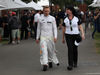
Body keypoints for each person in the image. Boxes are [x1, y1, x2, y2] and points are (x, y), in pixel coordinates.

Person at [36, 6, 59, 71]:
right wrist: (37, 37)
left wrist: (55, 36)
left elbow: (54, 28)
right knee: (43, 51)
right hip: (43, 37)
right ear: (43, 11)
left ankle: (50, 61)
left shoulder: (52, 18)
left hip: (50, 37)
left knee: (50, 51)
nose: (46, 12)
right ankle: (45, 64)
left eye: (48, 11)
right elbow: (38, 29)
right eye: (45, 11)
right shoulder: (40, 18)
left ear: (49, 11)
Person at [62, 5, 85, 70]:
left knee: (75, 49)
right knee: (70, 49)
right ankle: (70, 64)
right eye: (66, 9)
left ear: (71, 10)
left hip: (76, 35)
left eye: (68, 9)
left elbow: (80, 26)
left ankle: (75, 62)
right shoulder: (65, 19)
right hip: (68, 35)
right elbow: (64, 29)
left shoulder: (76, 18)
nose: (66, 10)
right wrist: (63, 38)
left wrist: (82, 34)